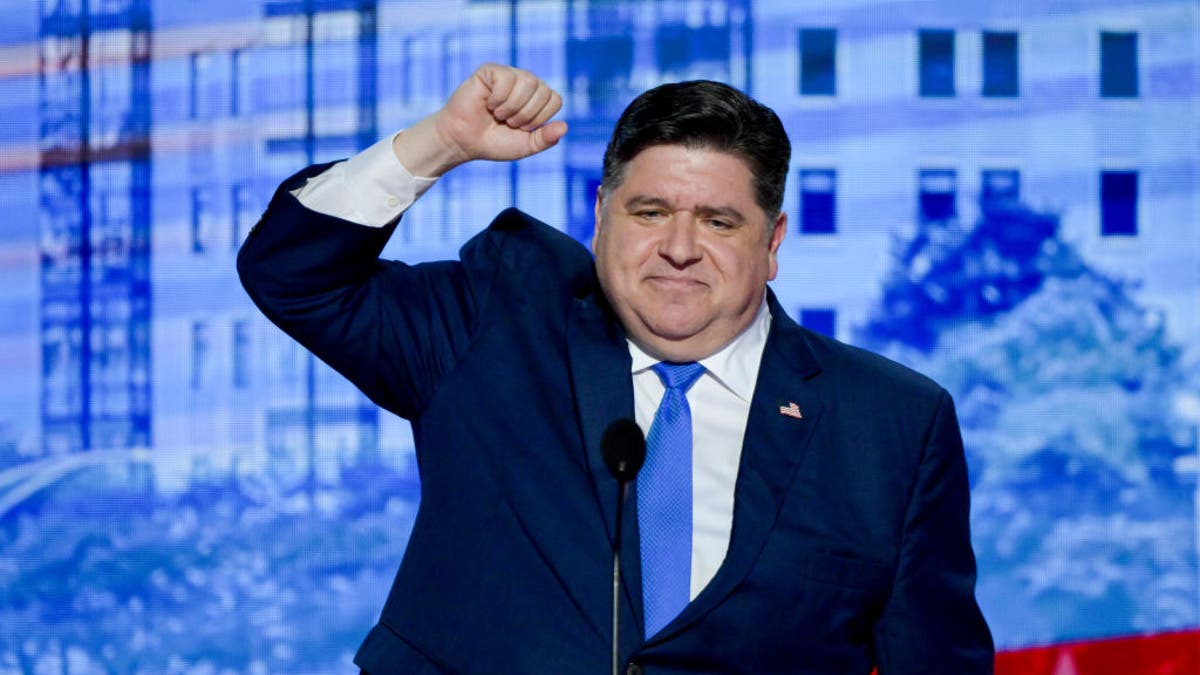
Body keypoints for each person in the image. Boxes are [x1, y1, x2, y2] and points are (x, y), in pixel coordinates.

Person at [238, 63, 993, 674]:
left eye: (719, 221)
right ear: (601, 214)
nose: (678, 247)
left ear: (773, 242)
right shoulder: (500, 316)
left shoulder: (890, 422)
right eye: (650, 211)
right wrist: (439, 142)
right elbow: (293, 275)